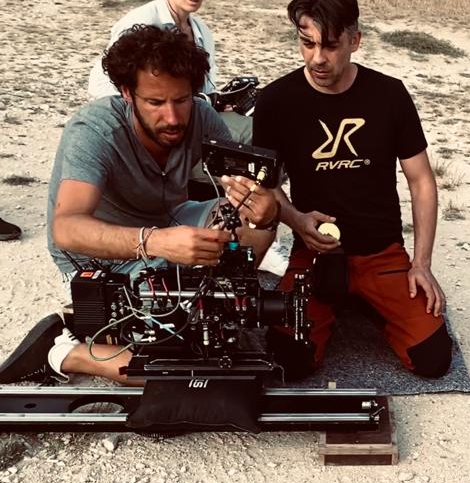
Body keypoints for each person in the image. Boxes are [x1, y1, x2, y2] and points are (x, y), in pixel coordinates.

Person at [0, 24, 278, 386]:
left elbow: (247, 182)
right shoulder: (95, 130)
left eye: (181, 100)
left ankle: (219, 306)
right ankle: (65, 352)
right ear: (127, 93)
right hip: (99, 255)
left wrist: (277, 214)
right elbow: (66, 228)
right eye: (156, 103)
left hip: (167, 221)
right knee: (170, 371)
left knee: (256, 220)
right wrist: (158, 243)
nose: (174, 117)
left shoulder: (201, 115)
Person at [233, 0, 451, 379]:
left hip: (381, 253)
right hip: (315, 253)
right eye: (307, 43)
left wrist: (421, 264)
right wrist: (297, 220)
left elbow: (421, 181)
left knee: (433, 359)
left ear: (355, 40)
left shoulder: (389, 95)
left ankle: (368, 302)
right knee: (289, 361)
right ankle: (341, 303)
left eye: (330, 45)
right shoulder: (277, 101)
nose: (317, 57)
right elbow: (265, 187)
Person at [86, 0, 251, 142]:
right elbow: (102, 85)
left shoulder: (201, 32)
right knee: (250, 134)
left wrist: (219, 102)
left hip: (191, 114)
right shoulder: (141, 22)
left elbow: (205, 87)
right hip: (151, 125)